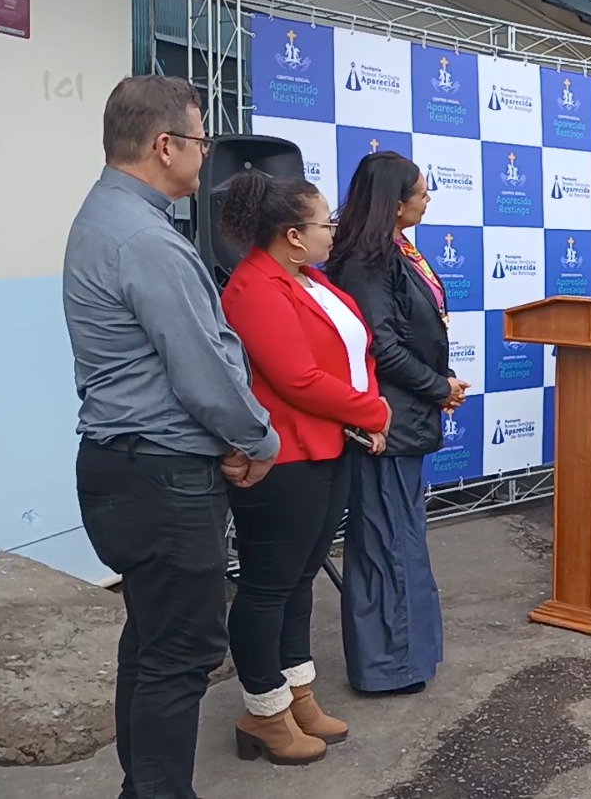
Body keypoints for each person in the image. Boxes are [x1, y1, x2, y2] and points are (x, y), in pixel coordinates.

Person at [63, 75, 280, 799]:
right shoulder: (144, 238)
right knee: (180, 654)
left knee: (153, 643)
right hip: (161, 476)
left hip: (127, 467)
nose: (205, 153)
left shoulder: (111, 217)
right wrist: (258, 438)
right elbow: (201, 367)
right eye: (200, 139)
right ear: (165, 145)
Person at [218, 171, 390, 763]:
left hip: (329, 446)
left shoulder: (310, 279)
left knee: (300, 579)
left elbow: (352, 355)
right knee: (268, 586)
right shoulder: (254, 288)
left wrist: (362, 414)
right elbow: (296, 378)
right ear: (293, 235)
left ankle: (297, 695)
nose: (332, 232)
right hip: (285, 460)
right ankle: (263, 711)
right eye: (325, 223)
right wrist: (372, 411)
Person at [327, 152, 466, 695]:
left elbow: (413, 331)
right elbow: (381, 348)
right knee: (386, 542)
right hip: (384, 423)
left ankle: (407, 657)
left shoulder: (396, 251)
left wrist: (440, 381)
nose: (428, 200)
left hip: (407, 415)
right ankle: (388, 666)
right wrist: (437, 386)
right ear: (395, 201)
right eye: (421, 192)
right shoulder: (366, 261)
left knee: (401, 538)